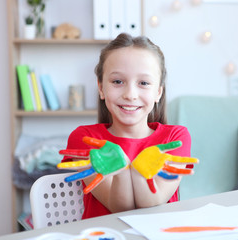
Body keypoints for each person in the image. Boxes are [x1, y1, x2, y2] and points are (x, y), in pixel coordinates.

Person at [61, 33, 192, 219]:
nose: (130, 94)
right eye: (117, 81)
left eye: (144, 83)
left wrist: (136, 170)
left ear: (158, 93)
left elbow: (153, 205)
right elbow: (120, 209)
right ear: (101, 88)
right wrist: (122, 172)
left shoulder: (175, 138)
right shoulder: (86, 139)